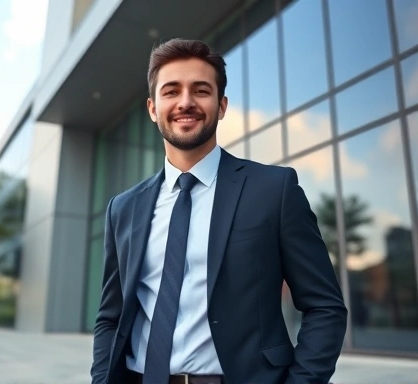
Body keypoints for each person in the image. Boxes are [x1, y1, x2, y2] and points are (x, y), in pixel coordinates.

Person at [91, 38, 347, 384]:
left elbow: (325, 307)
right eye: (171, 91)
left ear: (221, 105)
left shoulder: (274, 191)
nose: (185, 102)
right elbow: (111, 316)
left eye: (200, 91)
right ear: (152, 109)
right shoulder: (123, 208)